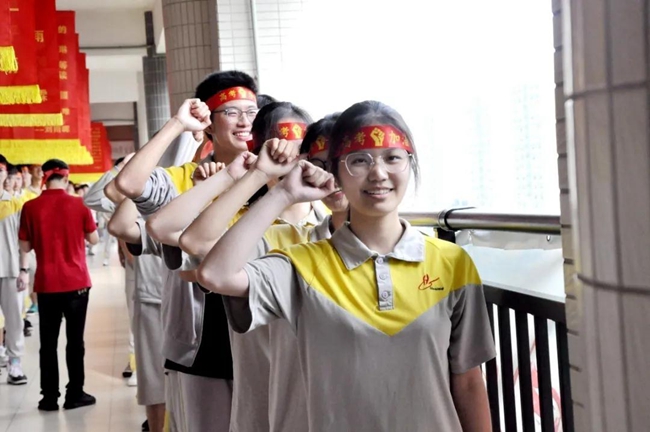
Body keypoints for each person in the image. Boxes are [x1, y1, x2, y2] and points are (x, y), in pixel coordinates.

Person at [198, 101, 496, 431]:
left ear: (410, 165)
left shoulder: (452, 263)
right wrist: (283, 192)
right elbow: (214, 274)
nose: (378, 173)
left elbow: (469, 382)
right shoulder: (302, 265)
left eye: (392, 158)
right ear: (337, 173)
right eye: (359, 160)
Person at [112, 70, 262, 431]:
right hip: (202, 339)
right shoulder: (181, 178)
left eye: (251, 112)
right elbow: (128, 184)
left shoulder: (271, 177)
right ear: (209, 122)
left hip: (261, 331)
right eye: (232, 112)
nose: (244, 122)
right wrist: (178, 125)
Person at [18, 159, 99, 411]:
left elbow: (25, 246)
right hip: (77, 283)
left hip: (46, 284)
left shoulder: (30, 207)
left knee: (48, 344)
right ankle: (75, 394)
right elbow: (94, 239)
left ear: (43, 177)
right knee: (75, 342)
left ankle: (49, 397)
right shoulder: (80, 204)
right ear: (66, 177)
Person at [0, 154, 28, 385]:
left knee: (14, 319)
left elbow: (24, 241)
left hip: (10, 269)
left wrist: (24, 270)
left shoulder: (16, 203)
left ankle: (15, 363)